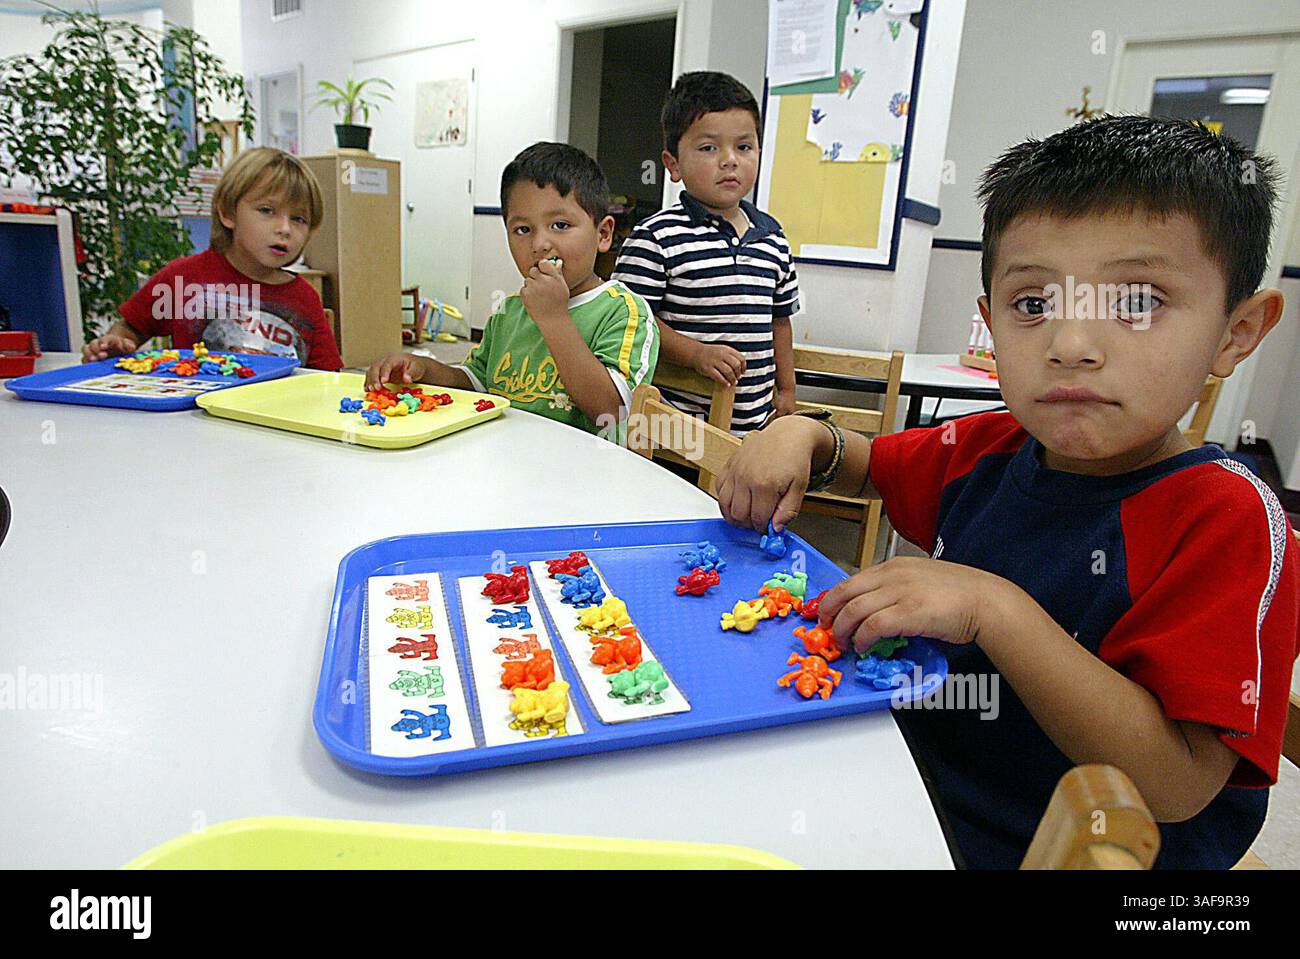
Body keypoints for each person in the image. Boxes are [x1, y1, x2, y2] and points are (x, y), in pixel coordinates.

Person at [716, 115, 1299, 868]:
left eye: (1137, 301)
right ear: (991, 323)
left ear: (1235, 331)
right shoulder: (988, 446)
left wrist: (993, 608)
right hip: (911, 792)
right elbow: (865, 464)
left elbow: (1178, 783)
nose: (1071, 344)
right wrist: (807, 437)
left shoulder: (1230, 520)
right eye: (1033, 304)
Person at [82, 147, 342, 370]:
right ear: (228, 213)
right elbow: (131, 328)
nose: (285, 228)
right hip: (192, 423)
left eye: (298, 219)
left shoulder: (306, 300)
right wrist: (114, 345)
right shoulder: (182, 279)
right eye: (267, 210)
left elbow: (327, 381)